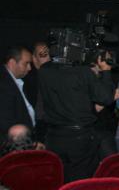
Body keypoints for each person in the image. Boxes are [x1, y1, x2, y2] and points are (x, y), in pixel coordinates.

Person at [39, 49, 114, 182]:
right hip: (80, 138)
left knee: (59, 180)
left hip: (53, 137)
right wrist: (106, 70)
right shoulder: (83, 72)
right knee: (81, 182)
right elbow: (106, 98)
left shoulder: (44, 70)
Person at [0, 46, 34, 145]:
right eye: (26, 63)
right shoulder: (3, 84)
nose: (30, 68)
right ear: (12, 63)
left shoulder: (16, 81)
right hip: (14, 145)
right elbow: (6, 122)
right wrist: (27, 144)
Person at [23, 41, 51, 144]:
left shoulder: (55, 75)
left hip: (51, 126)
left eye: (49, 54)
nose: (48, 58)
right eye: (43, 55)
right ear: (34, 59)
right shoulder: (27, 78)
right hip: (34, 126)